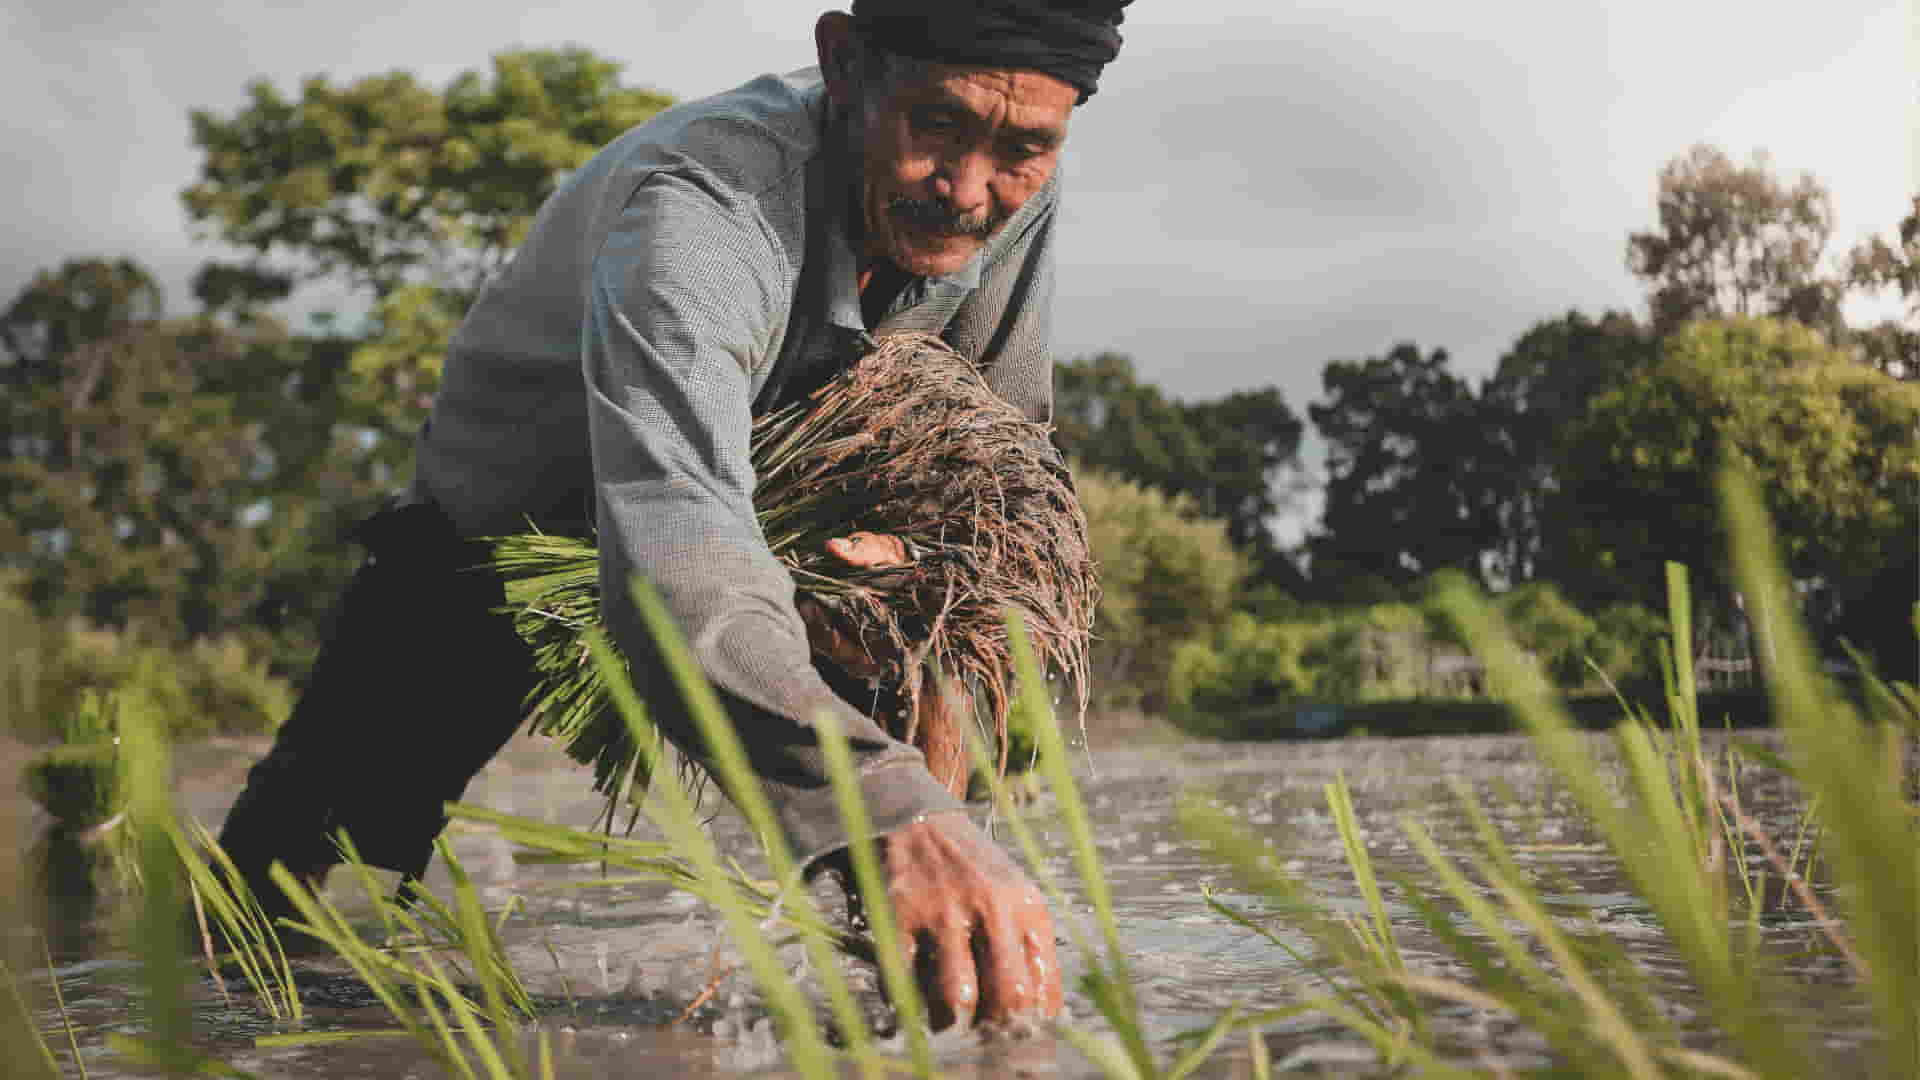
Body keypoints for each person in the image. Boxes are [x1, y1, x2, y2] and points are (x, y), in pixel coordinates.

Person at [218, 0, 1130, 1031]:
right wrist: (896, 816)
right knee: (303, 863)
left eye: (1021, 148)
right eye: (935, 125)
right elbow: (678, 552)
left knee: (918, 709)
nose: (966, 189)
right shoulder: (703, 212)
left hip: (783, 508)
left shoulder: (1011, 186)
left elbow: (997, 468)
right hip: (512, 531)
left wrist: (927, 656)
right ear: (842, 65)